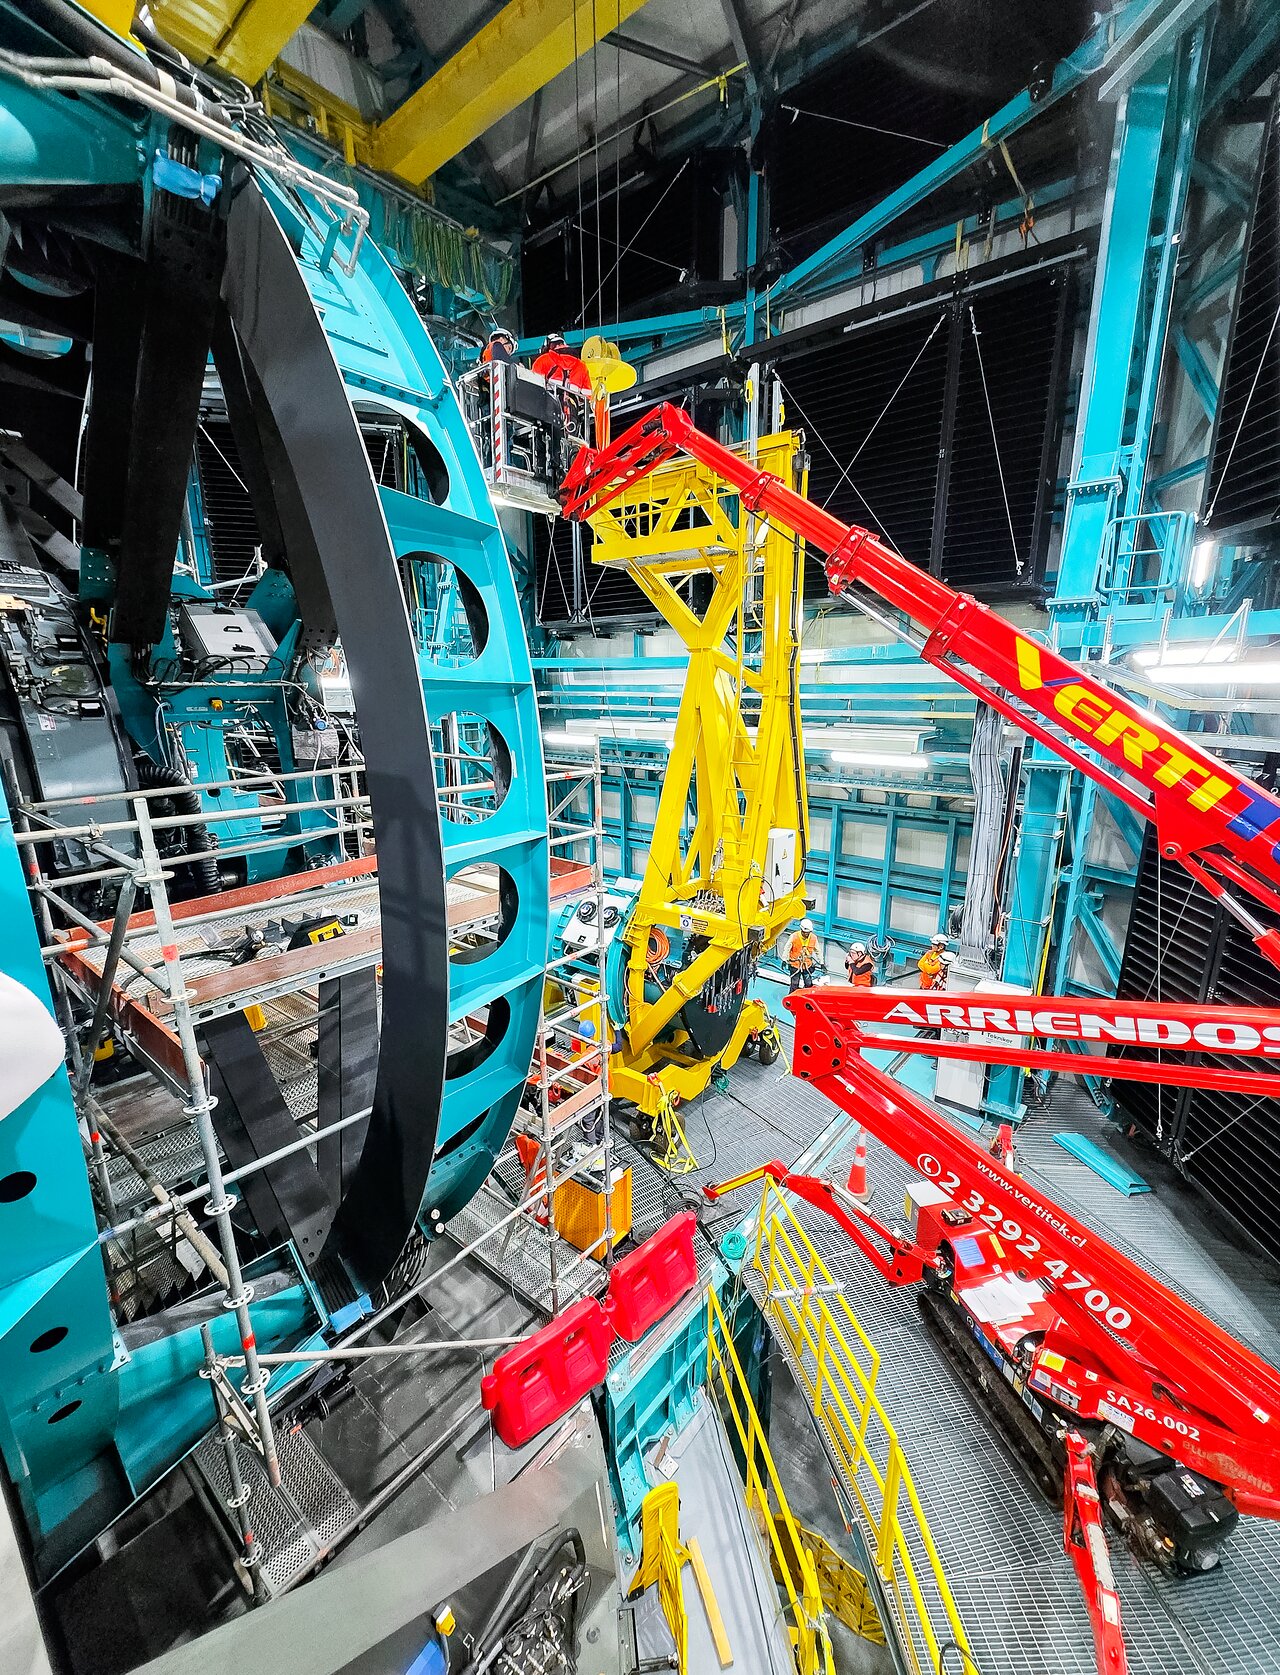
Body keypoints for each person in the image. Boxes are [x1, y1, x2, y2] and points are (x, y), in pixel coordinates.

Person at [787, 918, 820, 993]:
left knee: (808, 983)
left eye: (808, 932)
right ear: (801, 930)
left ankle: (808, 997)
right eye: (805, 932)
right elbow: (787, 948)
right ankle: (792, 997)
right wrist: (784, 959)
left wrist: (821, 962)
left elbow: (818, 951)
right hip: (795, 965)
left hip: (807, 965)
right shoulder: (794, 936)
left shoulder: (813, 938)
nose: (807, 934)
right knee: (794, 983)